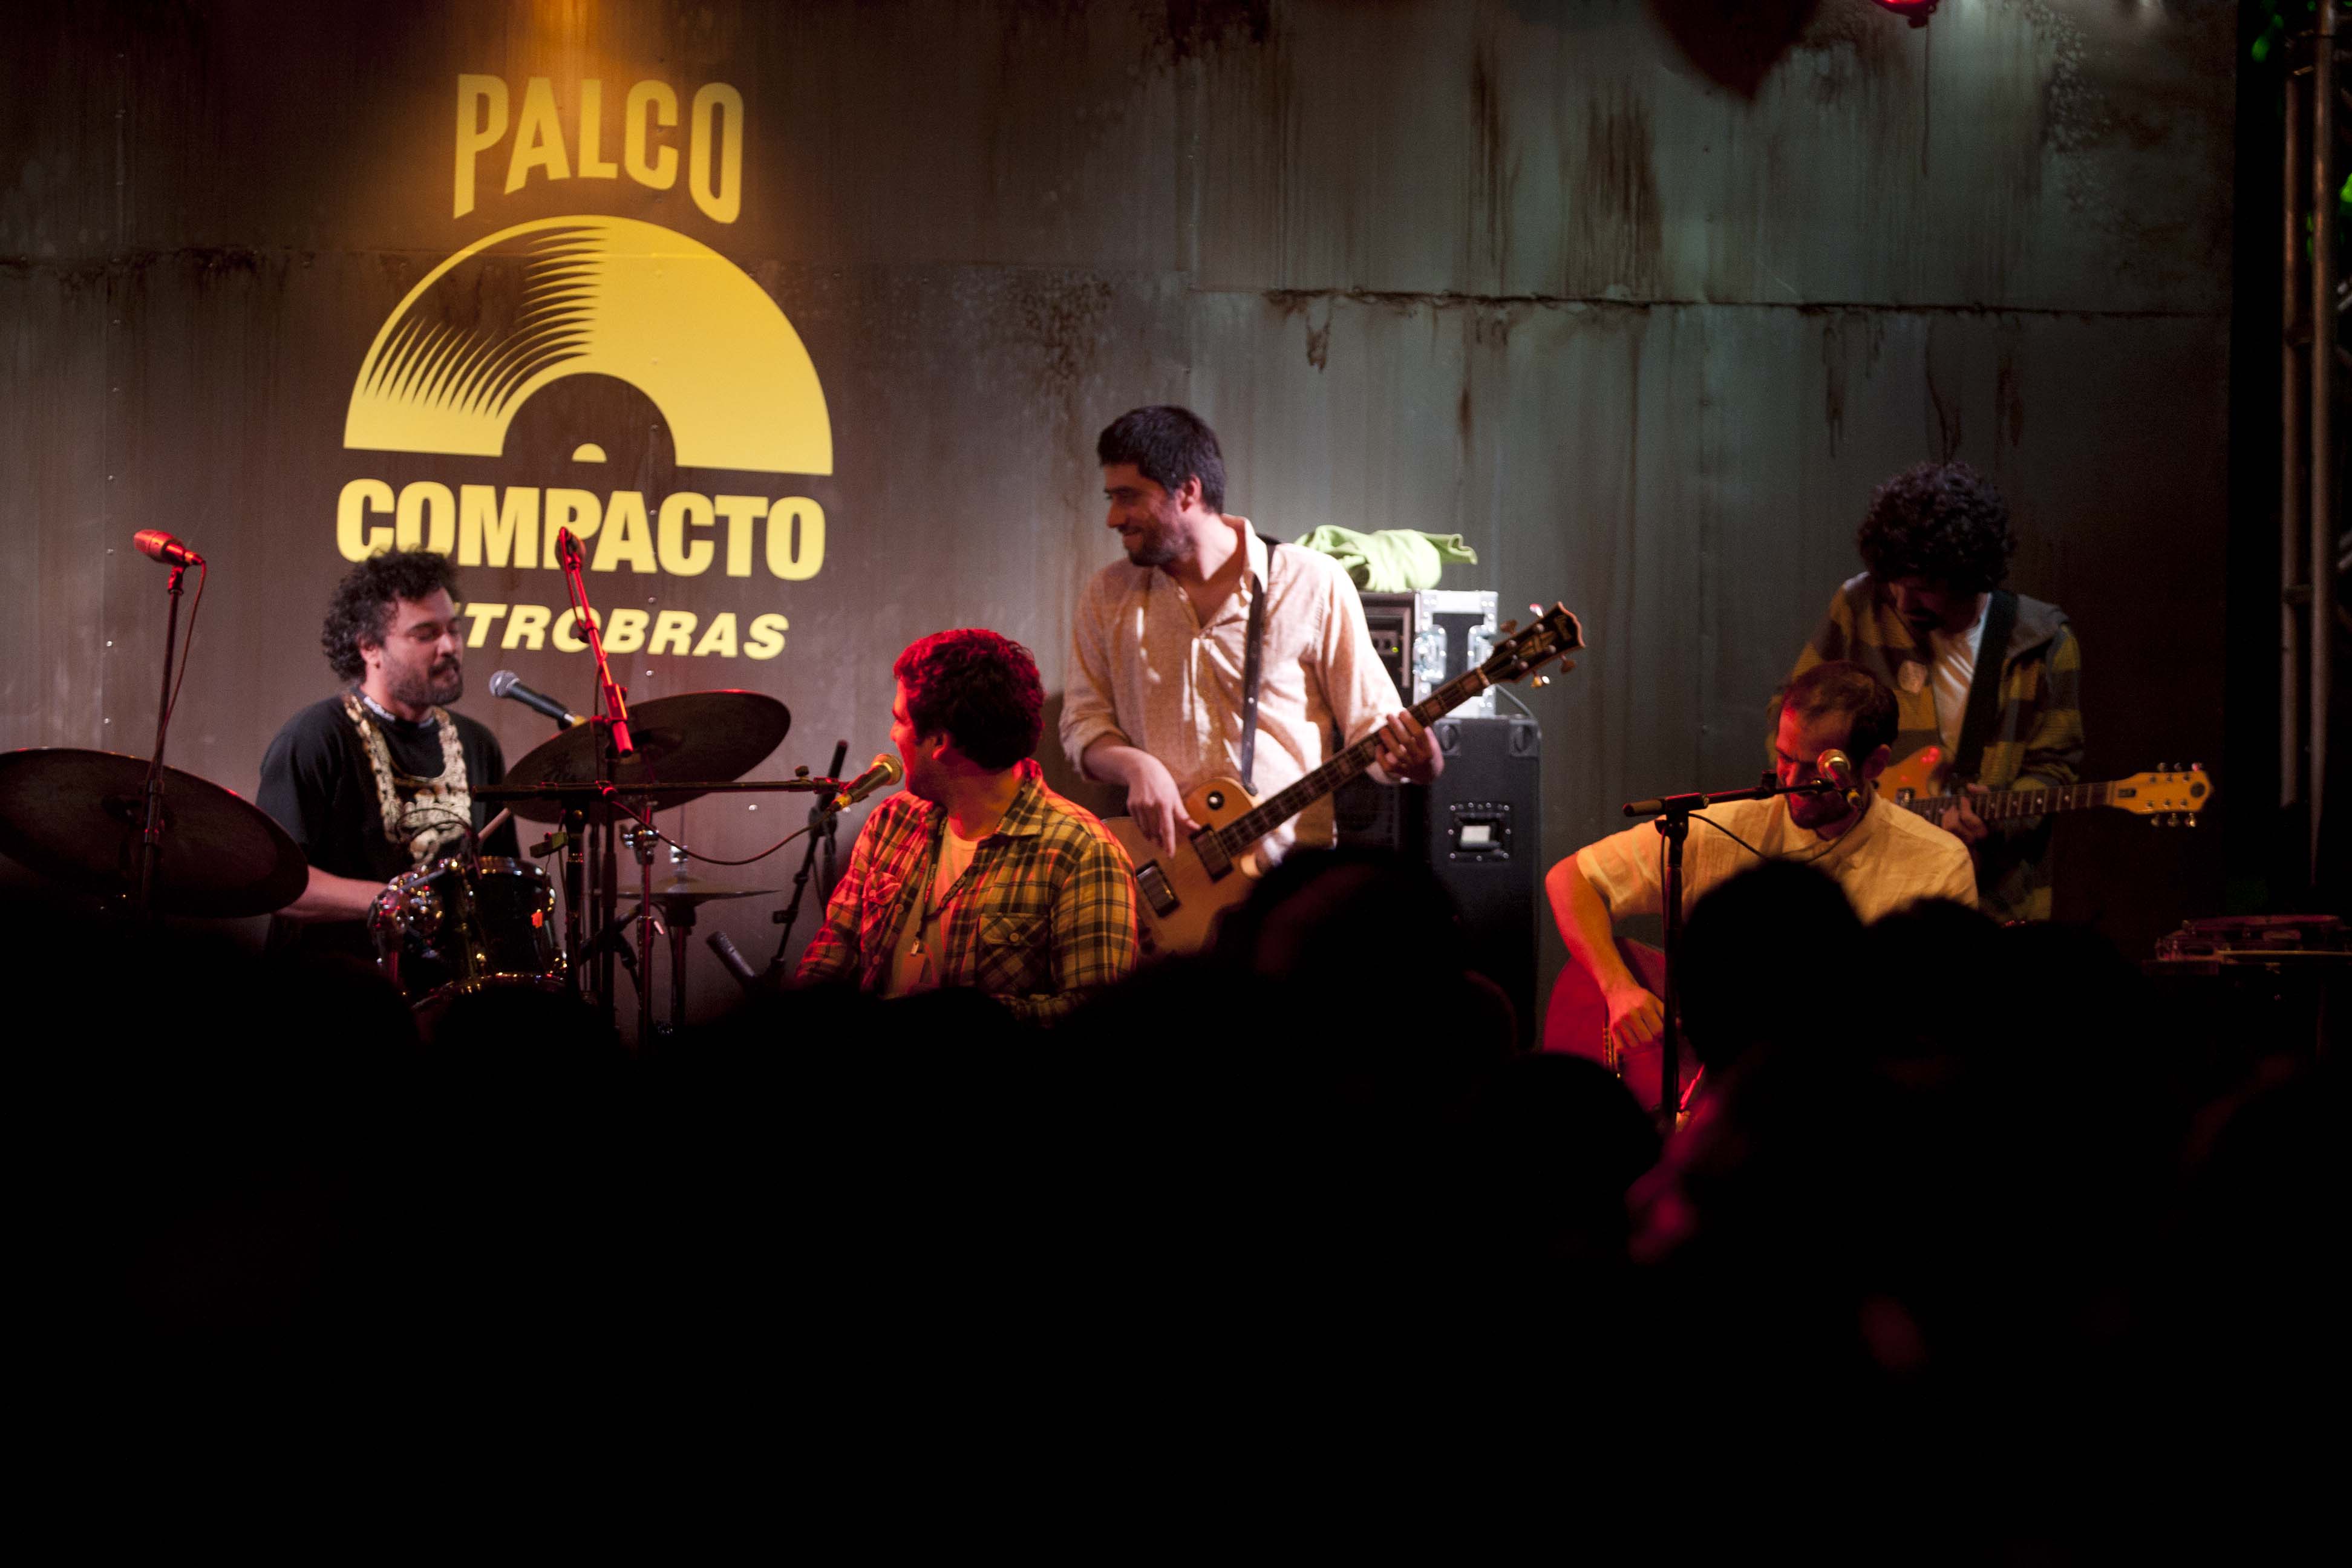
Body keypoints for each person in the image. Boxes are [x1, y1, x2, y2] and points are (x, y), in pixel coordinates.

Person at [1059, 405, 1441, 865]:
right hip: (1170, 876)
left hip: (1289, 882)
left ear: (1188, 492)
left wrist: (1415, 760)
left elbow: (1373, 727)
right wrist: (1136, 766)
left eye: (1129, 497)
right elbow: (1083, 724)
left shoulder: (1312, 581)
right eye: (1112, 498)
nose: (1113, 518)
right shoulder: (1107, 595)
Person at [1549, 661, 1976, 1059]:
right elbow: (1570, 879)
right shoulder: (1722, 827)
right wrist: (1618, 988)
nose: (1792, 780)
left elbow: (1940, 1027)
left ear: (1875, 763)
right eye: (1785, 758)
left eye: (1817, 769)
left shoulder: (1937, 865)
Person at [1786, 460, 2083, 921]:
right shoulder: (1859, 607)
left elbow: (2055, 768)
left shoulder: (2045, 644)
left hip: (1991, 903)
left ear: (1970, 575)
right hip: (1865, 891)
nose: (1903, 602)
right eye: (1895, 583)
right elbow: (1790, 715)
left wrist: (1997, 823)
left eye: (1924, 588)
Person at [797, 629, 1138, 1024]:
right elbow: (830, 956)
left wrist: (964, 1019)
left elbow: (1096, 1015)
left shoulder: (1084, 851)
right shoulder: (893, 820)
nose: (892, 734)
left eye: (900, 720)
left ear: (940, 741)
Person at [258, 549, 518, 961]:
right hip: (338, 983)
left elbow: (501, 882)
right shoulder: (315, 738)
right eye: (426, 634)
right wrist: (393, 899)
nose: (449, 646)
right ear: (370, 648)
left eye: (454, 630)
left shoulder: (478, 744)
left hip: (449, 985)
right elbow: (275, 881)